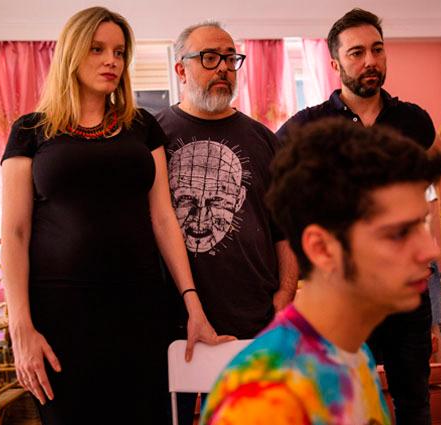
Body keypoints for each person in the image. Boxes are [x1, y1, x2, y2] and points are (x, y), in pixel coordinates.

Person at [0, 7, 229, 424]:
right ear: (71, 54)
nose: (111, 61)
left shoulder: (142, 126)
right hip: (60, 316)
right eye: (97, 49)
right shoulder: (30, 131)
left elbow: (163, 219)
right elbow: (14, 233)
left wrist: (193, 305)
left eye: (120, 52)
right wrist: (20, 327)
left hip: (141, 309)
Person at [200, 118, 441, 425]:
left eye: (422, 224)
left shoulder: (352, 352)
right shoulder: (263, 400)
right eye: (398, 233)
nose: (431, 251)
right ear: (322, 249)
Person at [277, 8, 437, 424]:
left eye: (377, 50)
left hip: (406, 290)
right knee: (344, 406)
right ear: (334, 64)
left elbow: (424, 195)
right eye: (357, 53)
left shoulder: (414, 121)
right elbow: (277, 191)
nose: (370, 61)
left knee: (414, 402)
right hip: (342, 293)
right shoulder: (308, 126)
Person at [155, 21, 298, 423]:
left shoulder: (264, 140)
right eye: (209, 58)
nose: (223, 67)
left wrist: (285, 295)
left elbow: (284, 229)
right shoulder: (153, 136)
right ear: (181, 69)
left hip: (252, 321)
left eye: (230, 58)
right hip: (172, 323)